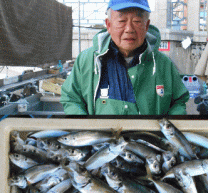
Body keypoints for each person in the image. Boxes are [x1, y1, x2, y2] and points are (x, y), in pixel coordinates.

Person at [60, 0, 190, 115]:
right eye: (122, 21)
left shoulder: (163, 64)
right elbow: (71, 98)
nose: (129, 29)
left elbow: (179, 102)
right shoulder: (87, 60)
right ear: (109, 25)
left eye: (137, 21)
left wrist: (167, 131)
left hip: (148, 141)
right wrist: (87, 131)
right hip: (102, 142)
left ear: (146, 26)